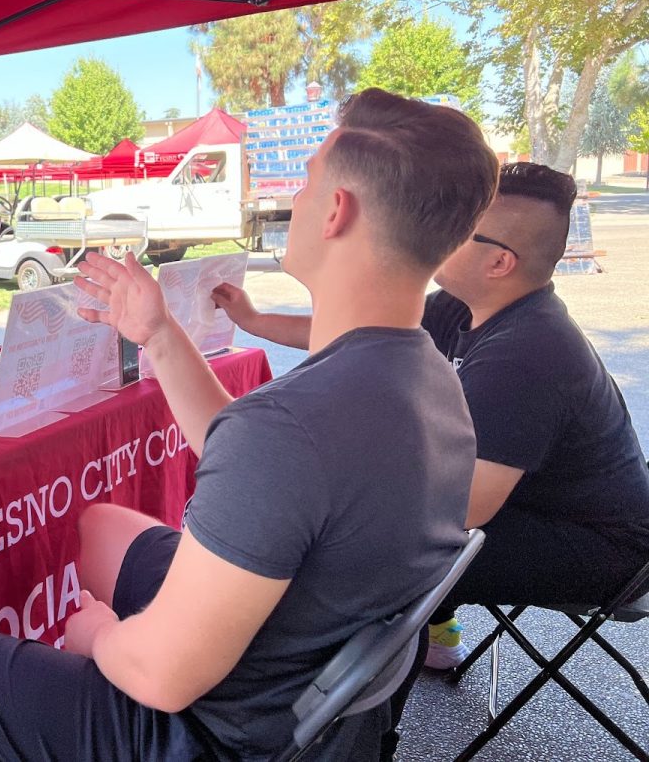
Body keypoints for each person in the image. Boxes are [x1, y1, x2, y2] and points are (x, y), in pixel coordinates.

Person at [0, 88, 499, 761]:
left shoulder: (291, 430)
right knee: (97, 527)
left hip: (212, 734)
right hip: (305, 694)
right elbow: (257, 460)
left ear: (335, 212)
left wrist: (97, 637)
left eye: (305, 181)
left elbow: (159, 674)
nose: (293, 198)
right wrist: (155, 332)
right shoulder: (428, 379)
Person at [217, 162, 649, 753]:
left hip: (602, 549)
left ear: (500, 262)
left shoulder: (529, 351)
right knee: (369, 538)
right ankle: (401, 660)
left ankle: (353, 739)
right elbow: (360, 330)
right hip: (538, 511)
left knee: (385, 558)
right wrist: (254, 320)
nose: (444, 231)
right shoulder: (469, 305)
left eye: (464, 227)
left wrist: (337, 489)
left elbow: (459, 508)